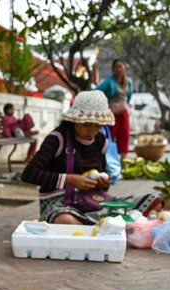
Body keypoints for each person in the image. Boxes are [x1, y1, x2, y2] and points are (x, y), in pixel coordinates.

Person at [21, 91, 161, 225]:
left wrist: (104, 183)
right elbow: (29, 173)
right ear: (75, 120)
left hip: (93, 201)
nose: (92, 131)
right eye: (86, 124)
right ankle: (102, 226)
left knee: (154, 201)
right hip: (60, 204)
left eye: (97, 125)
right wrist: (69, 179)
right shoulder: (58, 139)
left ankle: (97, 226)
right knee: (65, 221)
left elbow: (102, 174)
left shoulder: (100, 141)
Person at [96, 60, 133, 164]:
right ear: (113, 69)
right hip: (112, 114)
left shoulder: (128, 83)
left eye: (121, 66)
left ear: (124, 68)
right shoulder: (109, 82)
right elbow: (97, 91)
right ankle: (108, 162)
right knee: (110, 137)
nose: (119, 69)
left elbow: (129, 97)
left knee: (124, 136)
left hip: (124, 114)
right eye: (116, 67)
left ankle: (124, 163)